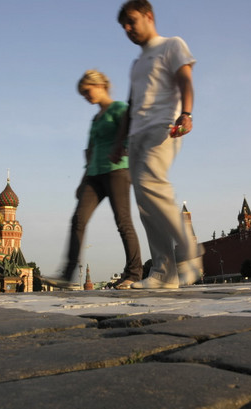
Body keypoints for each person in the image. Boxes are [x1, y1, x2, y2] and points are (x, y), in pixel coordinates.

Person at [113, 0, 204, 289]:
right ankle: (164, 273)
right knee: (144, 202)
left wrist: (186, 113)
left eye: (132, 21)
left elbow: (185, 79)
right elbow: (130, 105)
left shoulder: (172, 45)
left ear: (148, 17)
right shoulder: (137, 64)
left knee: (152, 184)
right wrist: (121, 141)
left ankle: (189, 250)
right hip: (136, 136)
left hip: (164, 128)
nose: (128, 29)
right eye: (124, 26)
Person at [44, 69, 143, 290]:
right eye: (83, 94)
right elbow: (90, 151)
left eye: (87, 92)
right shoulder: (95, 119)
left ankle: (134, 273)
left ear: (100, 86)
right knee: (78, 220)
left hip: (117, 172)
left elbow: (131, 133)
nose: (86, 97)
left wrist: (124, 151)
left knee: (123, 222)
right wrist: (82, 181)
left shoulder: (119, 109)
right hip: (93, 175)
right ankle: (67, 275)